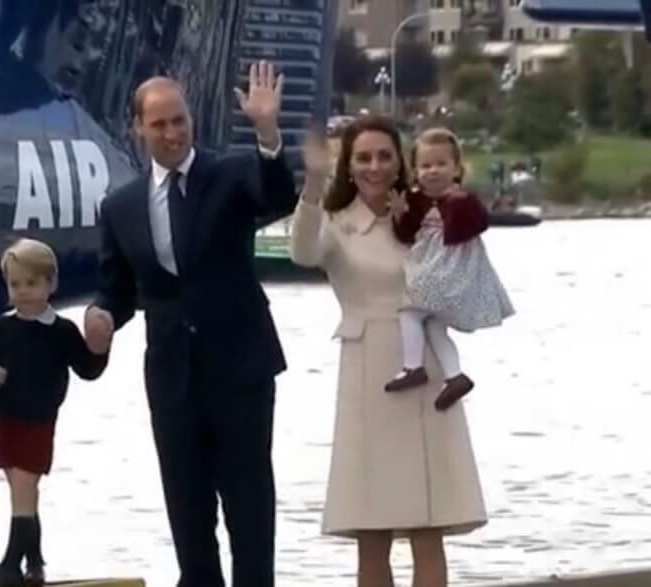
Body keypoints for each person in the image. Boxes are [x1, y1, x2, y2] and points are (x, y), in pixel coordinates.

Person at [82, 60, 296, 587]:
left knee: (249, 508)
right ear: (138, 129)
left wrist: (267, 134)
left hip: (240, 370)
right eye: (159, 124)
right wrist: (101, 314)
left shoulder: (230, 176)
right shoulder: (121, 206)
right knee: (187, 509)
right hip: (172, 377)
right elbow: (118, 289)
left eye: (179, 120)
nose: (172, 133)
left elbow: (276, 196)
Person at [290, 116, 487, 587]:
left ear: (401, 162)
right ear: (348, 165)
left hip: (428, 374)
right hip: (368, 375)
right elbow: (302, 252)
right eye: (363, 157)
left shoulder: (425, 217)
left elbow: (463, 264)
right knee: (372, 531)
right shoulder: (337, 223)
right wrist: (313, 184)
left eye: (384, 156)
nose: (374, 167)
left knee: (428, 526)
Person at [0, 238, 108, 587]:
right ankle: (34, 563)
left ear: (51, 283)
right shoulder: (1, 328)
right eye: (15, 284)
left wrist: (100, 347)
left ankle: (11, 565)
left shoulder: (61, 331)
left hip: (38, 420)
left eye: (32, 283)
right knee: (22, 491)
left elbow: (88, 369)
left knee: (24, 489)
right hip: (4, 418)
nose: (23, 291)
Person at [384, 127, 514, 410]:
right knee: (434, 325)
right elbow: (405, 235)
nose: (433, 171)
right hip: (431, 265)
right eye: (426, 166)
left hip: (449, 270)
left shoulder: (463, 199)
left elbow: (479, 223)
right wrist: (399, 214)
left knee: (408, 311)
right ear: (416, 171)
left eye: (441, 164)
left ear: (456, 169)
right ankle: (455, 376)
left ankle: (413, 367)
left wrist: (457, 204)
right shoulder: (416, 200)